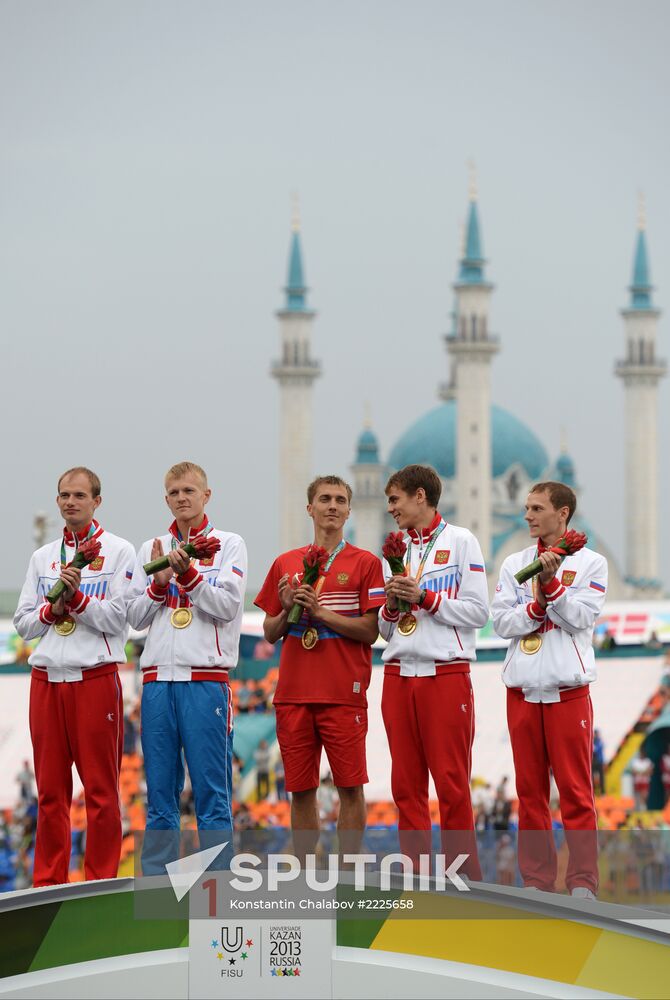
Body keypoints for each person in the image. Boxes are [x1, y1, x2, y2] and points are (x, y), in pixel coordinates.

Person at [14, 467, 135, 886]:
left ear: (96, 501)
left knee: (101, 792)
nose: (70, 502)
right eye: (64, 495)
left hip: (94, 679)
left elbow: (121, 618)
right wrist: (54, 610)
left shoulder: (119, 552)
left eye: (79, 495)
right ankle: (48, 882)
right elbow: (24, 623)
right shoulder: (42, 557)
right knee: (50, 793)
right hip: (46, 681)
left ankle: (100, 881)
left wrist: (79, 599)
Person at [255, 475, 385, 857]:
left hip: (343, 693)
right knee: (300, 790)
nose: (332, 505)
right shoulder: (285, 563)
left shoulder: (366, 563)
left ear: (349, 510)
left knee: (350, 788)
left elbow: (371, 631)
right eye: (324, 499)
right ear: (310, 508)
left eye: (340, 500)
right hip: (293, 693)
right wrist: (288, 611)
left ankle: (346, 872)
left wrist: (320, 612)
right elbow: (269, 632)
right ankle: (307, 872)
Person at [127, 461, 247, 874]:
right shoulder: (152, 548)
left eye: (189, 491)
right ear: (166, 499)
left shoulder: (229, 544)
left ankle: (217, 885)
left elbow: (229, 607)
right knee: (159, 794)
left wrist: (190, 575)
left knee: (212, 794)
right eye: (174, 492)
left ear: (206, 495)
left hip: (205, 680)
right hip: (158, 680)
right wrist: (159, 585)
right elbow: (135, 618)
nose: (182, 498)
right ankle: (159, 887)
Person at [491, 481, 607, 900]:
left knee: (576, 790)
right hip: (522, 691)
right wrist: (537, 608)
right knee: (530, 793)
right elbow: (501, 622)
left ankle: (582, 883)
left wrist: (554, 587)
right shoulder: (513, 563)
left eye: (537, 508)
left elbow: (580, 619)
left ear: (562, 513)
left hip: (567, 692)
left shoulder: (592, 563)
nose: (527, 516)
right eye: (526, 508)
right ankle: (537, 881)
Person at [378, 464, 488, 878]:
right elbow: (385, 629)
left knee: (451, 783)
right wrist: (392, 607)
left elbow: (478, 612)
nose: (390, 508)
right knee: (405, 787)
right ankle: (416, 877)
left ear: (420, 496)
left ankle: (465, 878)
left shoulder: (461, 541)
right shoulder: (392, 551)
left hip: (445, 673)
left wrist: (425, 597)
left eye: (395, 499)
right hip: (398, 675)